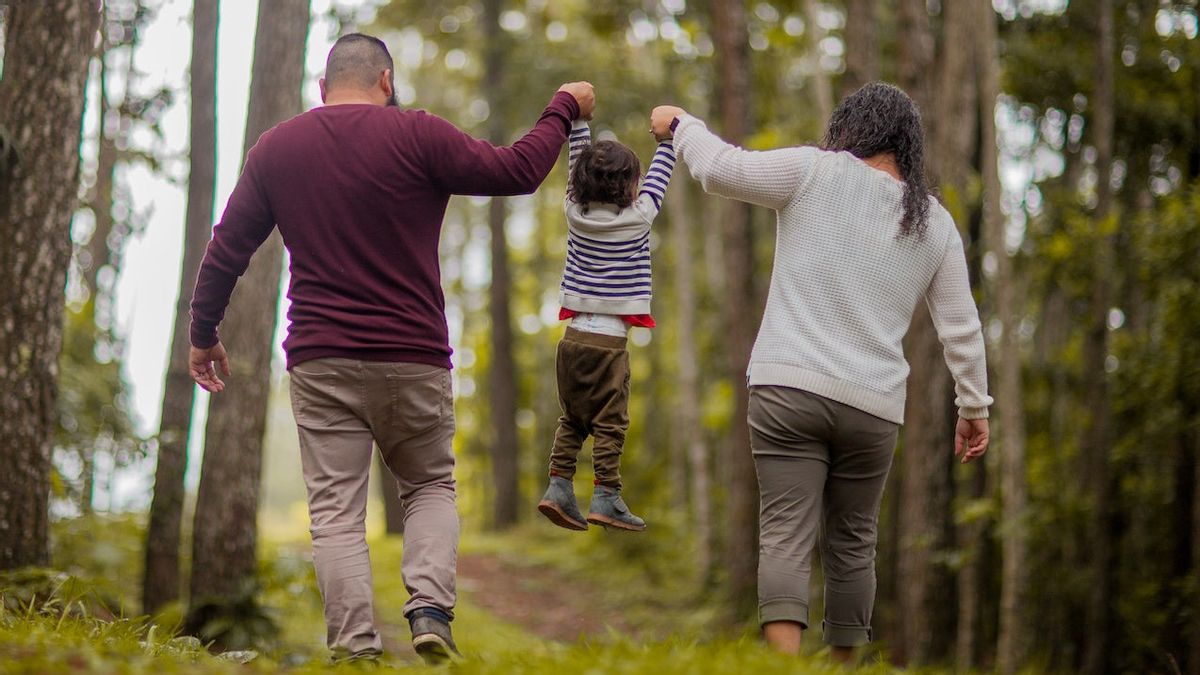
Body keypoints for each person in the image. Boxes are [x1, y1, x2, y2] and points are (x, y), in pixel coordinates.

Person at [187, 32, 595, 664]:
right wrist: (563, 106)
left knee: (335, 514)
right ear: (386, 81)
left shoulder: (279, 148)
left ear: (322, 90)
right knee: (430, 483)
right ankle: (431, 609)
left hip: (320, 359)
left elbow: (227, 249)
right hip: (413, 355)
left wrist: (203, 334)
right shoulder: (418, 134)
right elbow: (518, 171)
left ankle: (354, 649)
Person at [649, 82, 992, 663]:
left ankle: (783, 665)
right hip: (873, 407)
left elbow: (719, 170)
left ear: (851, 128)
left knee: (786, 531)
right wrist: (974, 408)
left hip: (788, 389)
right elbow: (961, 327)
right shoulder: (933, 223)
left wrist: (682, 124)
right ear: (908, 145)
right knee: (854, 544)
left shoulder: (813, 171)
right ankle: (842, 667)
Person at [536, 119, 676, 533]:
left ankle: (558, 485)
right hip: (609, 345)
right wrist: (668, 139)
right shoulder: (639, 217)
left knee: (572, 419)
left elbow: (574, 162)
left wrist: (578, 122)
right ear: (630, 187)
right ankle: (606, 495)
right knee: (609, 423)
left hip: (573, 340)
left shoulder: (573, 213)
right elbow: (662, 174)